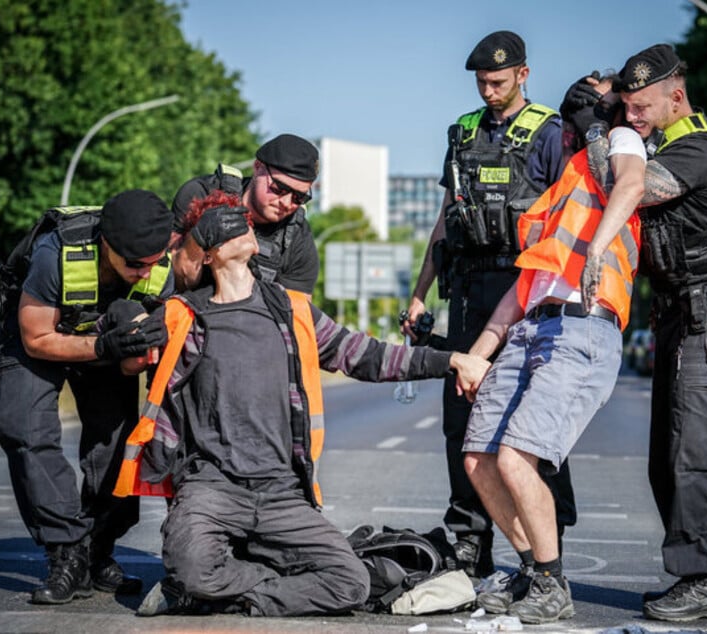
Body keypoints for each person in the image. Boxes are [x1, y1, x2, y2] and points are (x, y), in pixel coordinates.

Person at [115, 191, 491, 617]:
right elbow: (128, 352)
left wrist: (452, 360)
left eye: (244, 221)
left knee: (350, 583)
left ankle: (228, 594)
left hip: (282, 493)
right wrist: (121, 326)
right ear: (209, 253)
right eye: (224, 222)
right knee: (191, 570)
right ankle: (207, 587)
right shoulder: (181, 317)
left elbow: (368, 356)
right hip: (211, 490)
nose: (241, 223)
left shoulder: (294, 313)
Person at [460, 76, 646, 624]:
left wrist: (598, 249)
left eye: (598, 101)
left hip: (582, 327)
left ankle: (549, 581)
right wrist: (478, 353)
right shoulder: (560, 184)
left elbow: (632, 185)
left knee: (518, 458)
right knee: (479, 458)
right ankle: (530, 569)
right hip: (531, 326)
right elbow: (523, 290)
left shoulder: (620, 145)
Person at [401, 29, 574, 578]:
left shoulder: (551, 133)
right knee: (463, 418)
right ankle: (470, 541)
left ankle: (549, 539)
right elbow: (446, 220)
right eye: (480, 81)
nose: (488, 90)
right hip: (470, 293)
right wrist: (418, 289)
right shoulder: (463, 133)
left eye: (498, 81)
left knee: (528, 425)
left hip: (526, 294)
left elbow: (570, 216)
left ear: (523, 74)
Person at [592, 44, 707, 622]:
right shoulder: (674, 140)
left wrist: (601, 130)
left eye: (640, 107)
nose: (631, 117)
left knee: (699, 456)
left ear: (675, 96)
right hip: (680, 315)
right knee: (668, 459)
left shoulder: (702, 149)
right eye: (625, 107)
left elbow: (629, 187)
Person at [0, 189, 174, 604]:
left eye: (153, 262)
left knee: (117, 442)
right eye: (134, 264)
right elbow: (37, 338)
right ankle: (66, 551)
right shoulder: (54, 255)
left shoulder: (159, 266)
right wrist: (103, 348)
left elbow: (135, 365)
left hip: (105, 335)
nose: (145, 274)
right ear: (106, 244)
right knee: (22, 428)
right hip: (39, 334)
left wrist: (135, 351)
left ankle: (96, 550)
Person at [170, 133, 320, 294]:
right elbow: (177, 280)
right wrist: (198, 240)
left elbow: (297, 311)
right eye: (279, 189)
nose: (286, 202)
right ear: (257, 167)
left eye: (299, 197)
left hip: (254, 317)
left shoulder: (298, 235)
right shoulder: (202, 194)